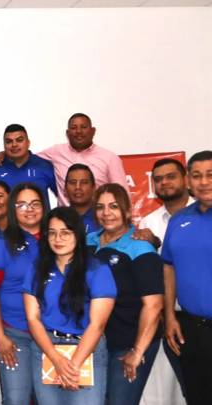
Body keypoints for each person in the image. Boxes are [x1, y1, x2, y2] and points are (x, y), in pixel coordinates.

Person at [23, 207, 116, 405]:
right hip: (46, 349)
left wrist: (72, 366)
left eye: (65, 232)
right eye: (52, 233)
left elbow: (97, 325)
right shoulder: (36, 269)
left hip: (86, 349)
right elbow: (32, 318)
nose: (58, 239)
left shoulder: (97, 269)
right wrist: (56, 359)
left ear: (78, 234)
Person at [86, 183, 164, 405]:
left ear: (127, 211)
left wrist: (137, 351)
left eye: (114, 206)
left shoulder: (140, 248)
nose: (106, 213)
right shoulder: (87, 242)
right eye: (100, 207)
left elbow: (154, 305)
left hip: (128, 342)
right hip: (95, 341)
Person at [0, 183, 47, 405]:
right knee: (16, 400)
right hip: (16, 336)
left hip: (53, 336)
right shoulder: (0, 242)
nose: (29, 209)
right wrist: (0, 337)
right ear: (13, 209)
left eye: (35, 203)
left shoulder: (57, 238)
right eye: (22, 204)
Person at [136, 158, 192, 404]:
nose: (164, 182)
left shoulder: (205, 213)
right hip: (170, 316)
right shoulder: (148, 223)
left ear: (185, 179)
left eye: (170, 176)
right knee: (189, 383)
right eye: (158, 179)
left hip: (203, 315)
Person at [162, 150, 212, 405]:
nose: (204, 182)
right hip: (191, 329)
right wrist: (170, 315)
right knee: (197, 396)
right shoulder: (179, 220)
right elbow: (168, 267)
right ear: (188, 182)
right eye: (197, 176)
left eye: (210, 175)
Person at [0, 113, 128, 206]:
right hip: (65, 223)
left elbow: (123, 196)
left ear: (93, 131)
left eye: (83, 127)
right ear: (67, 133)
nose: (78, 131)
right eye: (74, 128)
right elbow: (24, 155)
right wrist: (5, 153)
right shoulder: (56, 152)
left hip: (98, 221)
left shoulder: (110, 158)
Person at [0, 124, 57, 207]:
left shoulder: (44, 165)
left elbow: (63, 196)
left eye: (19, 140)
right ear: (4, 145)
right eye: (9, 141)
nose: (14, 145)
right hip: (8, 219)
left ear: (28, 143)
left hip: (41, 219)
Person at [64, 164, 99, 234]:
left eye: (84, 182)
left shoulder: (104, 218)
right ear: (65, 189)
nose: (78, 187)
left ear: (94, 188)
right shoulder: (59, 219)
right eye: (73, 182)